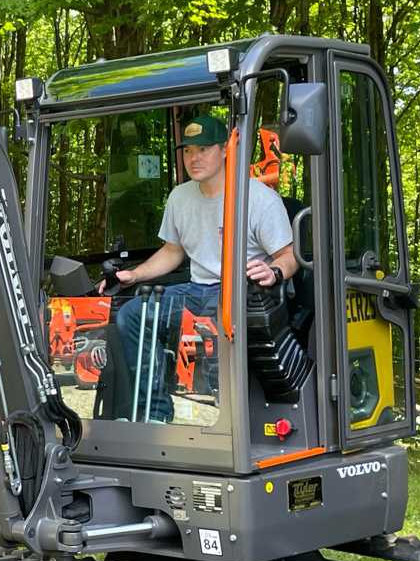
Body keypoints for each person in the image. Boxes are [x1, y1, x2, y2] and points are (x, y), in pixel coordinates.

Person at [109, 113, 299, 422]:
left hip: (242, 290)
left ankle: (234, 424)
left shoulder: (258, 198)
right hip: (197, 289)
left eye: (203, 149)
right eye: (188, 151)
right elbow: (173, 251)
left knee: (220, 322)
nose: (194, 158)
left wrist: (274, 271)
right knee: (134, 315)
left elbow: (288, 256)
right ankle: (155, 413)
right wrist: (135, 274)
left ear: (225, 150)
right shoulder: (179, 197)